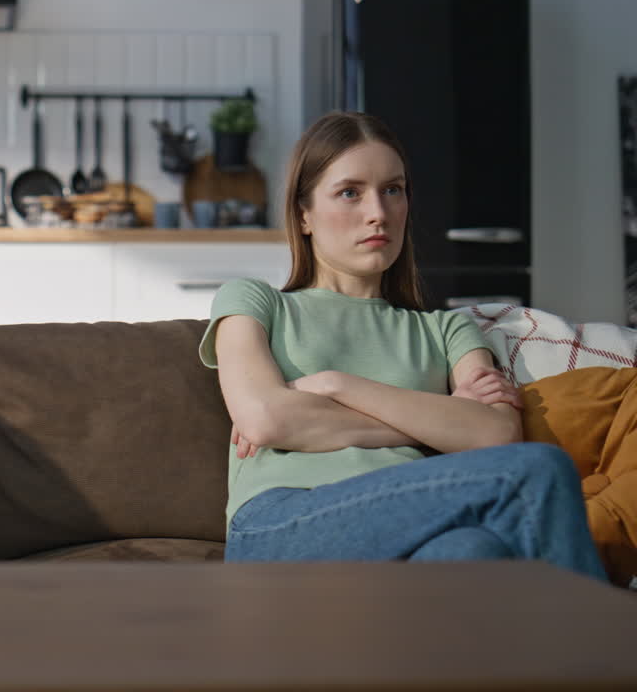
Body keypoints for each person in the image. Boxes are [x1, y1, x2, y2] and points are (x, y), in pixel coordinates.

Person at [201, 111, 606, 580]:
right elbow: (265, 419)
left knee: (473, 549)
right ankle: (597, 630)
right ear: (303, 213)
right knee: (539, 469)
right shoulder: (254, 301)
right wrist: (435, 422)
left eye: (393, 190)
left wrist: (336, 385)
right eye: (350, 192)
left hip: (409, 527)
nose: (378, 212)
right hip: (281, 523)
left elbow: (495, 434)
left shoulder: (447, 330)